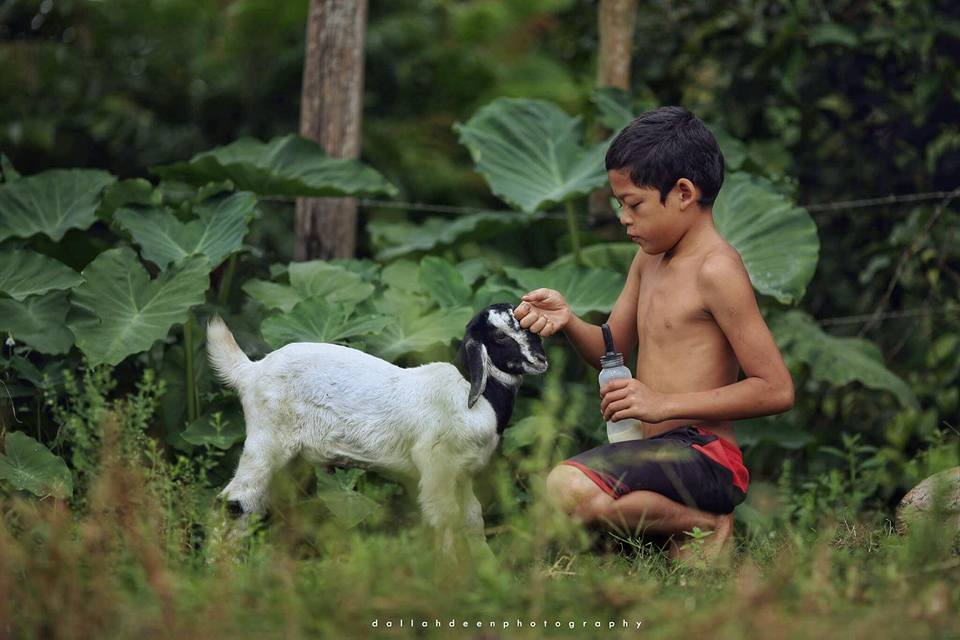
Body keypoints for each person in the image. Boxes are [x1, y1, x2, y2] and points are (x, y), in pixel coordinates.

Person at [513, 106, 795, 562]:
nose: (625, 218)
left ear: (683, 193)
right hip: (653, 450)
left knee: (565, 486)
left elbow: (776, 390)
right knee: (567, 515)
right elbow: (612, 349)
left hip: (706, 455)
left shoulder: (717, 269)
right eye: (620, 204)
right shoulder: (649, 260)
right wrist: (568, 320)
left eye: (634, 204)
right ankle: (678, 535)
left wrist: (663, 405)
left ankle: (706, 524)